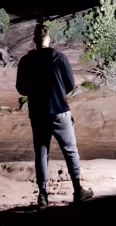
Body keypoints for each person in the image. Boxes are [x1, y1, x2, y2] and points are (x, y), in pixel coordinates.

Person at [16, 22, 93, 209]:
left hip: (38, 113)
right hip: (59, 111)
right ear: (48, 39)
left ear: (34, 41)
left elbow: (21, 88)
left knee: (42, 154)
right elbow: (70, 84)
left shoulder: (26, 61)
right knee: (70, 150)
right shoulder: (60, 58)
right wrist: (56, 91)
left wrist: (35, 93)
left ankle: (42, 195)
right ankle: (77, 190)